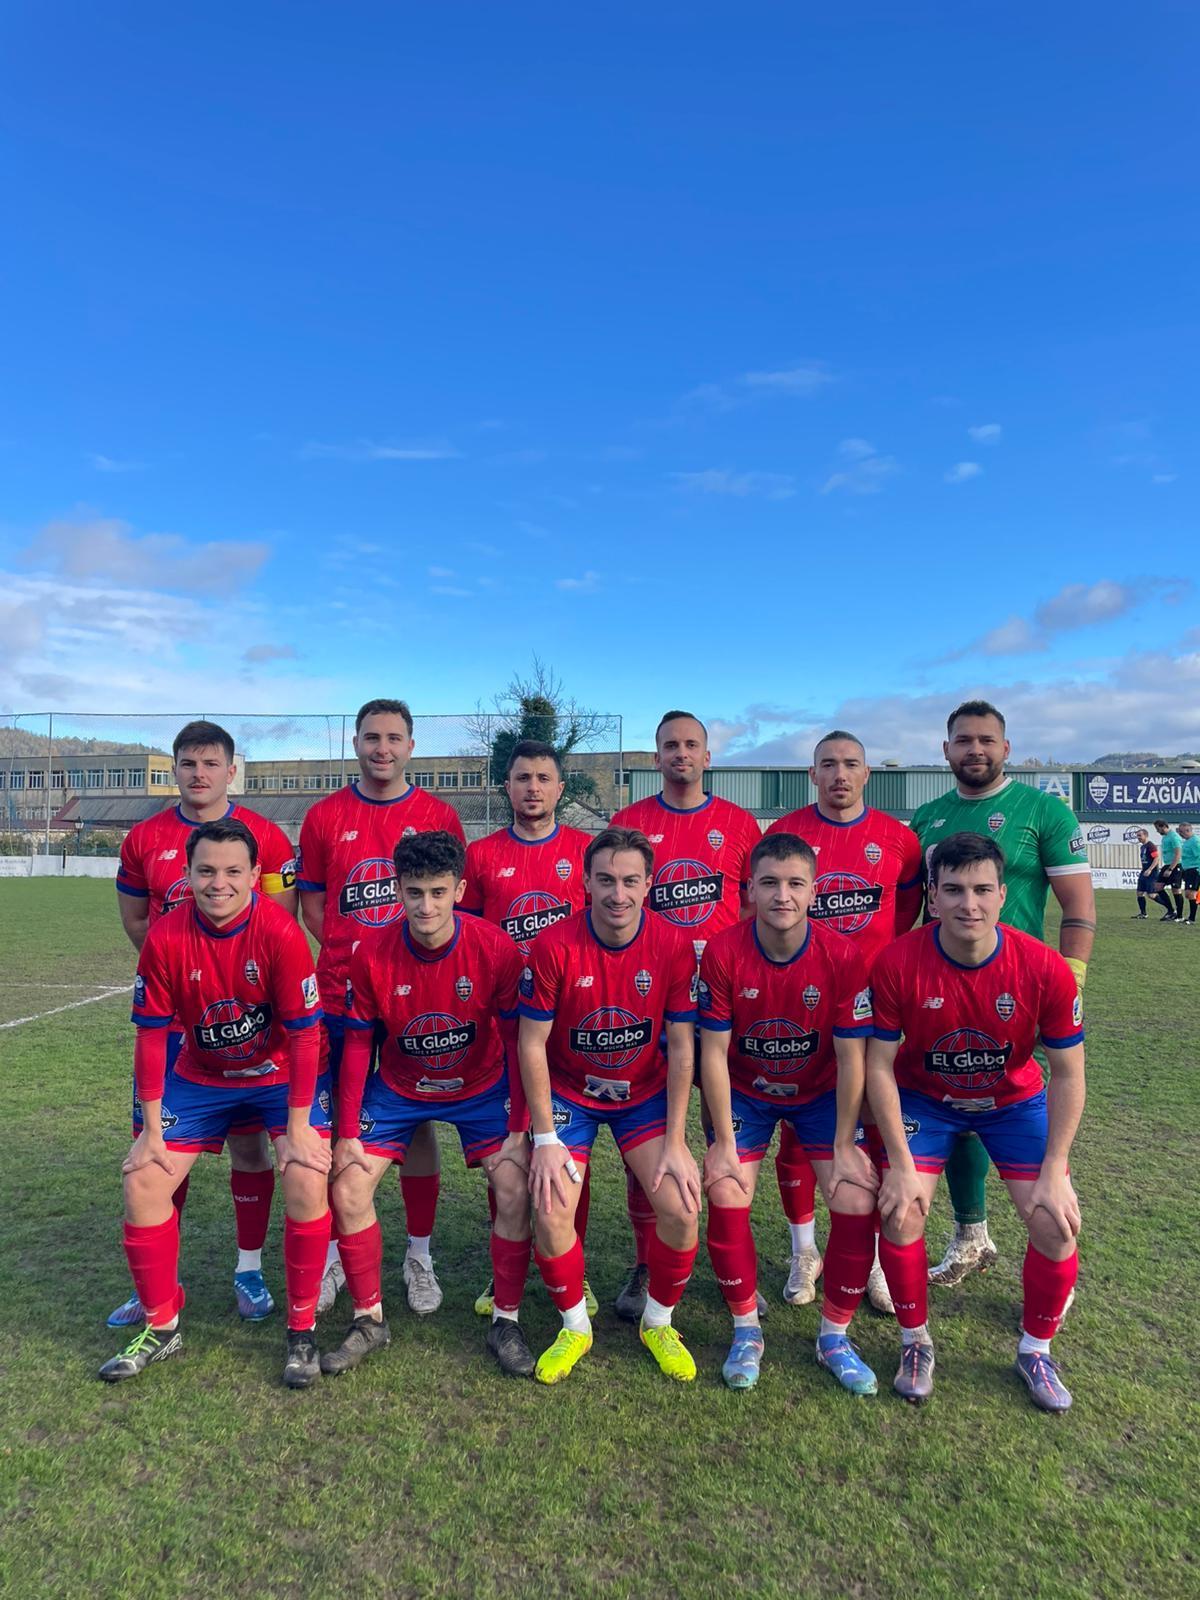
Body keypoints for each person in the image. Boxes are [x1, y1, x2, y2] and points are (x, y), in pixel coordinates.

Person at [98, 820, 333, 1388]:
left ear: (256, 875)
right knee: (144, 1179)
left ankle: (301, 1331)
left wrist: (299, 1128)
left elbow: (303, 1035)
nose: (218, 883)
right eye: (206, 871)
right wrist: (151, 1130)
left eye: (233, 872)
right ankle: (162, 1325)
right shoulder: (165, 936)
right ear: (187, 874)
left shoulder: (280, 933)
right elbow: (151, 1035)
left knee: (305, 1173)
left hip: (278, 1076)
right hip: (201, 1076)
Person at [864, 832, 1086, 1410]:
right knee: (902, 1212)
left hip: (1012, 1102)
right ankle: (916, 1341)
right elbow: (879, 1068)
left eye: (983, 890)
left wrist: (1056, 1168)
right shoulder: (897, 962)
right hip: (924, 1100)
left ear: (1002, 893)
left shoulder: (1043, 967)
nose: (970, 904)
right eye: (955, 890)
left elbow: (1066, 1073)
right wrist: (901, 1163)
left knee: (1054, 1223)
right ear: (932, 897)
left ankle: (1035, 1349)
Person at [320, 833, 536, 1377]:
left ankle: (506, 1320)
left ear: (460, 889)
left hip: (481, 1085)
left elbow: (516, 1044)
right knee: (346, 1184)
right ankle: (369, 1318)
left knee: (513, 1186)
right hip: (397, 1087)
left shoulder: (494, 948)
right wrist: (346, 1131)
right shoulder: (371, 954)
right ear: (397, 890)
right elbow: (359, 1049)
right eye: (413, 892)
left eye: (439, 892)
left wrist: (518, 1125)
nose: (426, 906)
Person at [109, 719, 299, 1327]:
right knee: (159, 1147)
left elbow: (283, 921)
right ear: (174, 769)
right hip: (174, 1016)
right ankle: (157, 1286)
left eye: (210, 763)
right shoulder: (143, 837)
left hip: (247, 1021)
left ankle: (248, 1268)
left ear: (230, 770)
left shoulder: (267, 835)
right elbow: (138, 924)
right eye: (188, 764)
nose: (199, 774)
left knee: (249, 1142)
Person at [910, 701, 1094, 1288]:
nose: (975, 750)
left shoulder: (1043, 810)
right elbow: (916, 908)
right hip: (942, 985)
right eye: (963, 740)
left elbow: (1079, 908)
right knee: (951, 1095)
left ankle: (1047, 1200)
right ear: (946, 751)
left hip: (1021, 992)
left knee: (1015, 1098)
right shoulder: (928, 818)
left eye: (986, 740)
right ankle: (972, 1233)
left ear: (1006, 748)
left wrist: (1074, 980)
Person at [298, 698, 466, 1317]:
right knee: (337, 1127)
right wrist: (355, 951)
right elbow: (314, 905)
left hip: (414, 1000)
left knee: (414, 1119)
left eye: (394, 738)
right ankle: (340, 1250)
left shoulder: (437, 813)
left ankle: (417, 1253)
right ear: (356, 743)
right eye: (371, 737)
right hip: (340, 997)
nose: (382, 749)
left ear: (411, 745)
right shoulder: (323, 816)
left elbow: (448, 906)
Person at [518, 826, 702, 1384]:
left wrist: (675, 1141)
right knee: (550, 1208)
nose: (617, 894)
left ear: (649, 884)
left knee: (682, 1208)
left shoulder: (672, 945)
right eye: (605, 881)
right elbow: (530, 1043)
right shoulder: (554, 945)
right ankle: (575, 1325)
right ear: (586, 883)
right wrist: (546, 1139)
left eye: (629, 881)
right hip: (571, 1093)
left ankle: (657, 1322)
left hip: (642, 1095)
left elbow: (683, 1045)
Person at [699, 834, 877, 1391]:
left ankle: (834, 1337)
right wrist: (723, 1143)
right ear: (749, 888)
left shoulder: (845, 957)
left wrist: (846, 1142)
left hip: (821, 1092)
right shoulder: (724, 952)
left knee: (854, 1196)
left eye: (795, 883)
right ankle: (746, 1328)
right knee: (727, 1189)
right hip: (746, 1092)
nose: (782, 895)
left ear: (814, 891)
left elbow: (853, 1059)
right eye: (770, 883)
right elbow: (711, 1052)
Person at [609, 710, 761, 1319]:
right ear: (655, 757)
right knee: (645, 1130)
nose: (680, 754)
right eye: (669, 745)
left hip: (724, 1001)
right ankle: (648, 1262)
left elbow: (755, 908)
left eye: (691, 745)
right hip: (649, 1000)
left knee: (738, 1132)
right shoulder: (629, 822)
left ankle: (743, 1266)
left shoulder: (737, 823)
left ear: (707, 755)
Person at [764, 731, 923, 1310]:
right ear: (811, 773)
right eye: (827, 764)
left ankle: (873, 1255)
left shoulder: (899, 840)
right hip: (801, 999)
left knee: (877, 1128)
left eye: (850, 764)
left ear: (867, 773)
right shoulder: (788, 834)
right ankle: (803, 1250)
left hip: (875, 1004)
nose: (839, 774)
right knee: (798, 1127)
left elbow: (905, 913)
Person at [461, 738, 594, 1319]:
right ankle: (506, 1274)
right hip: (503, 1025)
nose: (533, 788)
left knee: (566, 1153)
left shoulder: (586, 852)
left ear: (560, 788)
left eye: (544, 778)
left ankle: (573, 1270)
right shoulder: (483, 854)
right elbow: (467, 940)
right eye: (522, 778)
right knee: (510, 1150)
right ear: (506, 787)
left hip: (568, 1024)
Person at [1151, 819, 1185, 921]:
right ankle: (1171, 911)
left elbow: (1178, 854)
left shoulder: (1174, 837)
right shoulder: (1165, 837)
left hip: (1176, 865)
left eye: (1158, 829)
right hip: (1167, 865)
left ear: (1163, 826)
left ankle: (1180, 916)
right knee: (1158, 887)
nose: (1157, 831)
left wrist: (1170, 869)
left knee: (1176, 890)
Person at [1132, 828, 1159, 919]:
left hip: (1151, 872)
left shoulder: (1150, 845)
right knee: (1139, 893)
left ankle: (1171, 909)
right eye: (1137, 836)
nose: (1138, 837)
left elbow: (1156, 858)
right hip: (1144, 871)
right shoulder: (1142, 847)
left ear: (1146, 835)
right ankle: (1143, 913)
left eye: (1140, 835)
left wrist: (1150, 869)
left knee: (1151, 895)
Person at [1178, 822, 1200, 927]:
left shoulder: (1195, 841)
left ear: (1188, 831)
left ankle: (1192, 918)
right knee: (1188, 894)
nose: (1180, 834)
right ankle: (1191, 917)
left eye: (1181, 832)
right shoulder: (1187, 842)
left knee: (1191, 894)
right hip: (1188, 870)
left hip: (1195, 870)